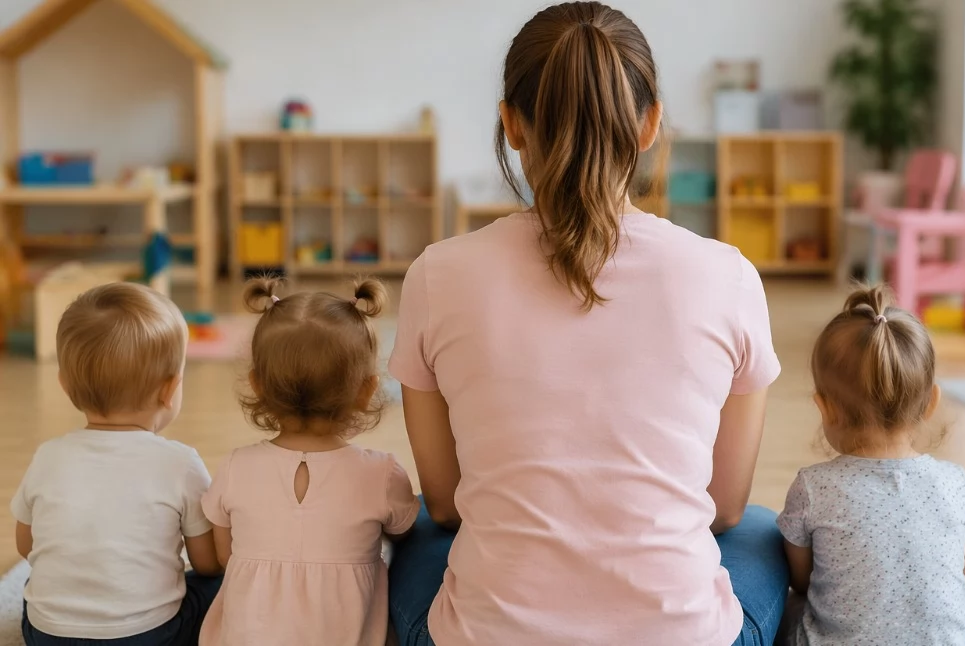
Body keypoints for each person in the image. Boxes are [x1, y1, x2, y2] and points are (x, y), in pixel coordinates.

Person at [387, 3, 787, 644]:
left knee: (418, 540)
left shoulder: (438, 273)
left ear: (512, 124)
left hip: (486, 633)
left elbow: (445, 502)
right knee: (763, 529)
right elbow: (726, 506)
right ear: (651, 122)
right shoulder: (729, 275)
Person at [199, 279, 420, 646]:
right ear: (367, 390)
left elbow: (225, 557)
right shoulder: (381, 474)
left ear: (257, 385)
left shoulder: (236, 467)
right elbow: (405, 532)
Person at [776, 286, 965, 645]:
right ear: (930, 402)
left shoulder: (812, 487)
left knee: (788, 607)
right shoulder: (956, 482)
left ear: (825, 407)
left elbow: (800, 579)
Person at [12, 282, 222, 645]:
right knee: (220, 584)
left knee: (36, 583)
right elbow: (207, 563)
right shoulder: (180, 463)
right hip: (151, 636)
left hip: (47, 635)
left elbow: (26, 545)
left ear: (64, 384)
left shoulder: (48, 455)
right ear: (170, 390)